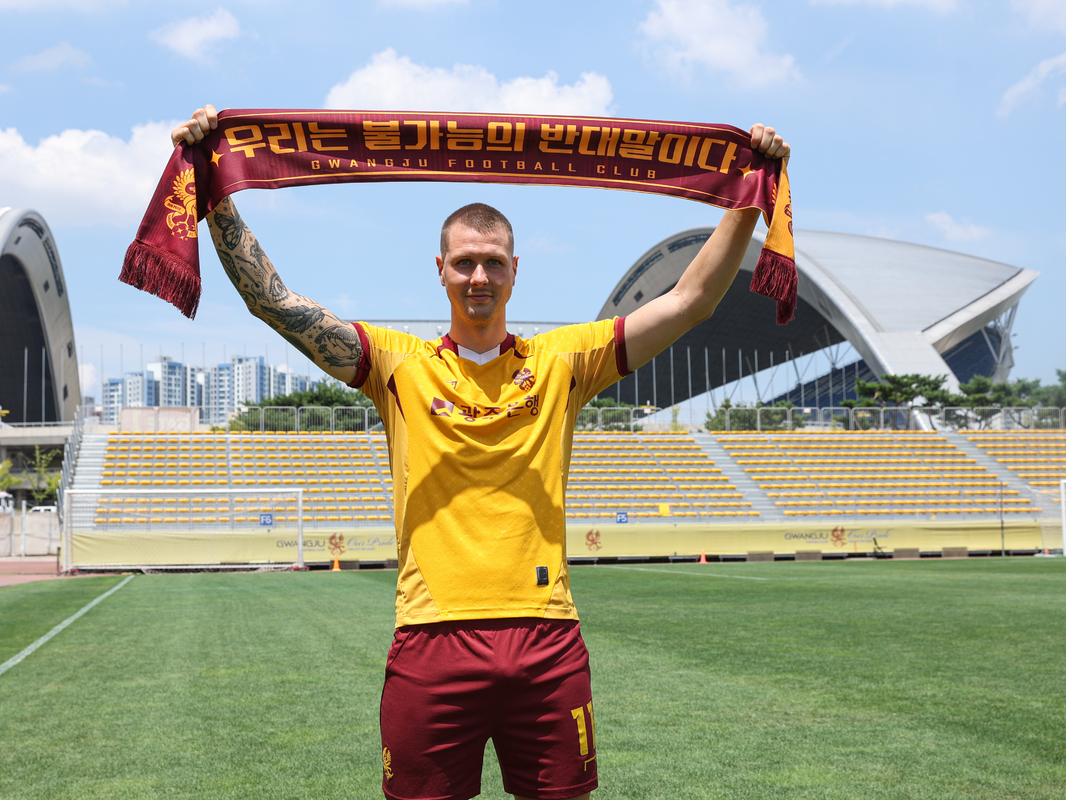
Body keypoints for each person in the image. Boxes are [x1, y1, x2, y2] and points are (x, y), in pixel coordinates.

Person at [172, 104, 789, 800]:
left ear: (515, 270)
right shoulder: (396, 364)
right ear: (440, 269)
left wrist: (748, 196)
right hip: (431, 641)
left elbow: (690, 300)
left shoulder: (565, 360)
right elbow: (276, 302)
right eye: (464, 263)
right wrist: (215, 192)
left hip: (546, 640)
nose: (478, 277)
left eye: (493, 263)